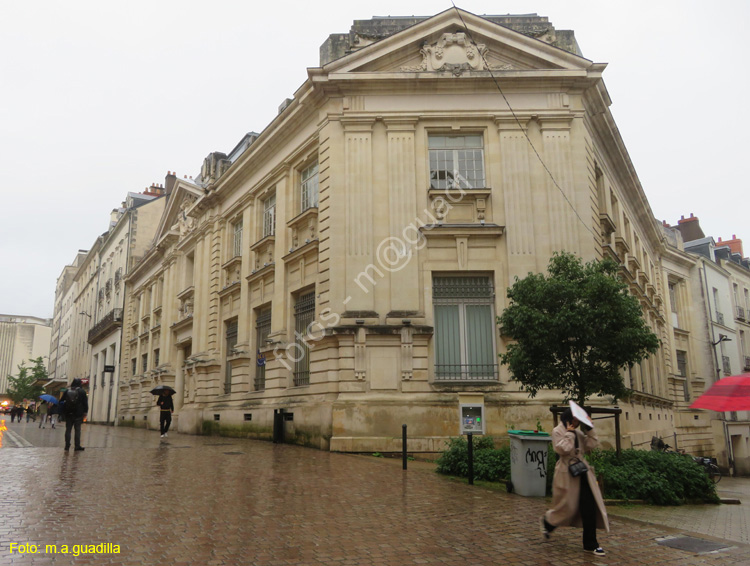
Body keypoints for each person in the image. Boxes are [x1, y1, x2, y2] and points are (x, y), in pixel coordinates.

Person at [540, 408, 609, 557]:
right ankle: (548, 522)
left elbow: (591, 444)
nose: (576, 424)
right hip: (566, 474)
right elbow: (562, 449)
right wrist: (570, 433)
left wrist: (590, 429)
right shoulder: (557, 431)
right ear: (568, 419)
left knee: (589, 507)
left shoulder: (578, 432)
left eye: (578, 422)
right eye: (575, 421)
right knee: (566, 507)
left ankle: (591, 544)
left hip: (582, 472)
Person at [61, 378, 88, 451]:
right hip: (78, 413)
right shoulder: (82, 391)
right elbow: (85, 403)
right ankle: (77, 446)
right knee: (77, 430)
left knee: (68, 430)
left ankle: (67, 445)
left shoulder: (67, 391)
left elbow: (61, 401)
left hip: (68, 413)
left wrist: (63, 410)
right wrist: (85, 412)